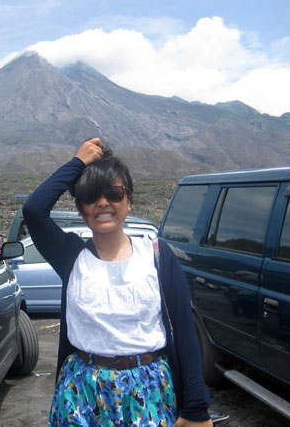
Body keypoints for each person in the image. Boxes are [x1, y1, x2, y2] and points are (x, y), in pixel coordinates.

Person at [22, 138, 211, 427]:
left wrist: (196, 410)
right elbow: (34, 211)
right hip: (81, 392)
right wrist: (78, 163)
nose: (103, 202)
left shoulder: (157, 255)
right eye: (91, 196)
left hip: (149, 390)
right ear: (81, 210)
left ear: (128, 200)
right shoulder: (71, 257)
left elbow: (185, 334)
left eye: (114, 192)